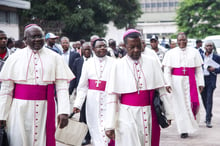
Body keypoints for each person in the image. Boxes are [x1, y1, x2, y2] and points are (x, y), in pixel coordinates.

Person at [0, 24, 74, 146]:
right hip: (19, 109)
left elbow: (61, 87)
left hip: (46, 107)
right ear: (25, 40)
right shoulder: (14, 58)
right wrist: (2, 114)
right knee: (18, 140)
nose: (38, 39)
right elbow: (6, 89)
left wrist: (64, 111)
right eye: (33, 37)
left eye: (40, 36)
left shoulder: (55, 57)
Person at [104, 29, 173, 146]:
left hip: (149, 113)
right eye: (132, 47)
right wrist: (109, 125)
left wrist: (169, 113)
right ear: (125, 46)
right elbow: (112, 98)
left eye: (138, 46)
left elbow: (161, 90)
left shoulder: (152, 62)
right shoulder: (117, 65)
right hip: (127, 114)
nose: (136, 50)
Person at [73, 38, 115, 146]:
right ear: (93, 49)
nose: (102, 48)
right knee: (95, 129)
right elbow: (82, 86)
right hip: (92, 102)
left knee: (108, 128)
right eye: (99, 46)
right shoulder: (88, 63)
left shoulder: (114, 63)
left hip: (109, 100)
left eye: (104, 46)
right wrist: (78, 104)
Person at [162, 32, 204, 138]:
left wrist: (201, 83)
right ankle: (183, 130)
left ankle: (192, 125)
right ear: (176, 41)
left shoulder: (194, 52)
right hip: (177, 83)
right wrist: (167, 83)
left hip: (191, 81)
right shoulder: (170, 53)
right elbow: (167, 70)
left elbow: (199, 70)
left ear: (187, 40)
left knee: (194, 103)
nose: (182, 42)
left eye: (184, 39)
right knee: (179, 106)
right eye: (179, 40)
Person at [69, 42, 92, 145]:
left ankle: (92, 135)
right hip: (81, 93)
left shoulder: (94, 62)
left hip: (92, 94)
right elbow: (74, 77)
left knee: (91, 115)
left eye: (89, 49)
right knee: (82, 116)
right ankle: (85, 137)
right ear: (81, 50)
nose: (87, 51)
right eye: (85, 49)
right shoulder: (78, 61)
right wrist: (70, 91)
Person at [200, 40, 220, 128]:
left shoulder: (216, 57)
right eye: (207, 46)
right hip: (202, 80)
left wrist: (214, 70)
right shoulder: (200, 56)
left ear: (213, 47)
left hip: (211, 80)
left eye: (210, 46)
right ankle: (209, 113)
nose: (209, 47)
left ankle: (208, 120)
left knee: (209, 99)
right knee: (204, 99)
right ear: (204, 47)